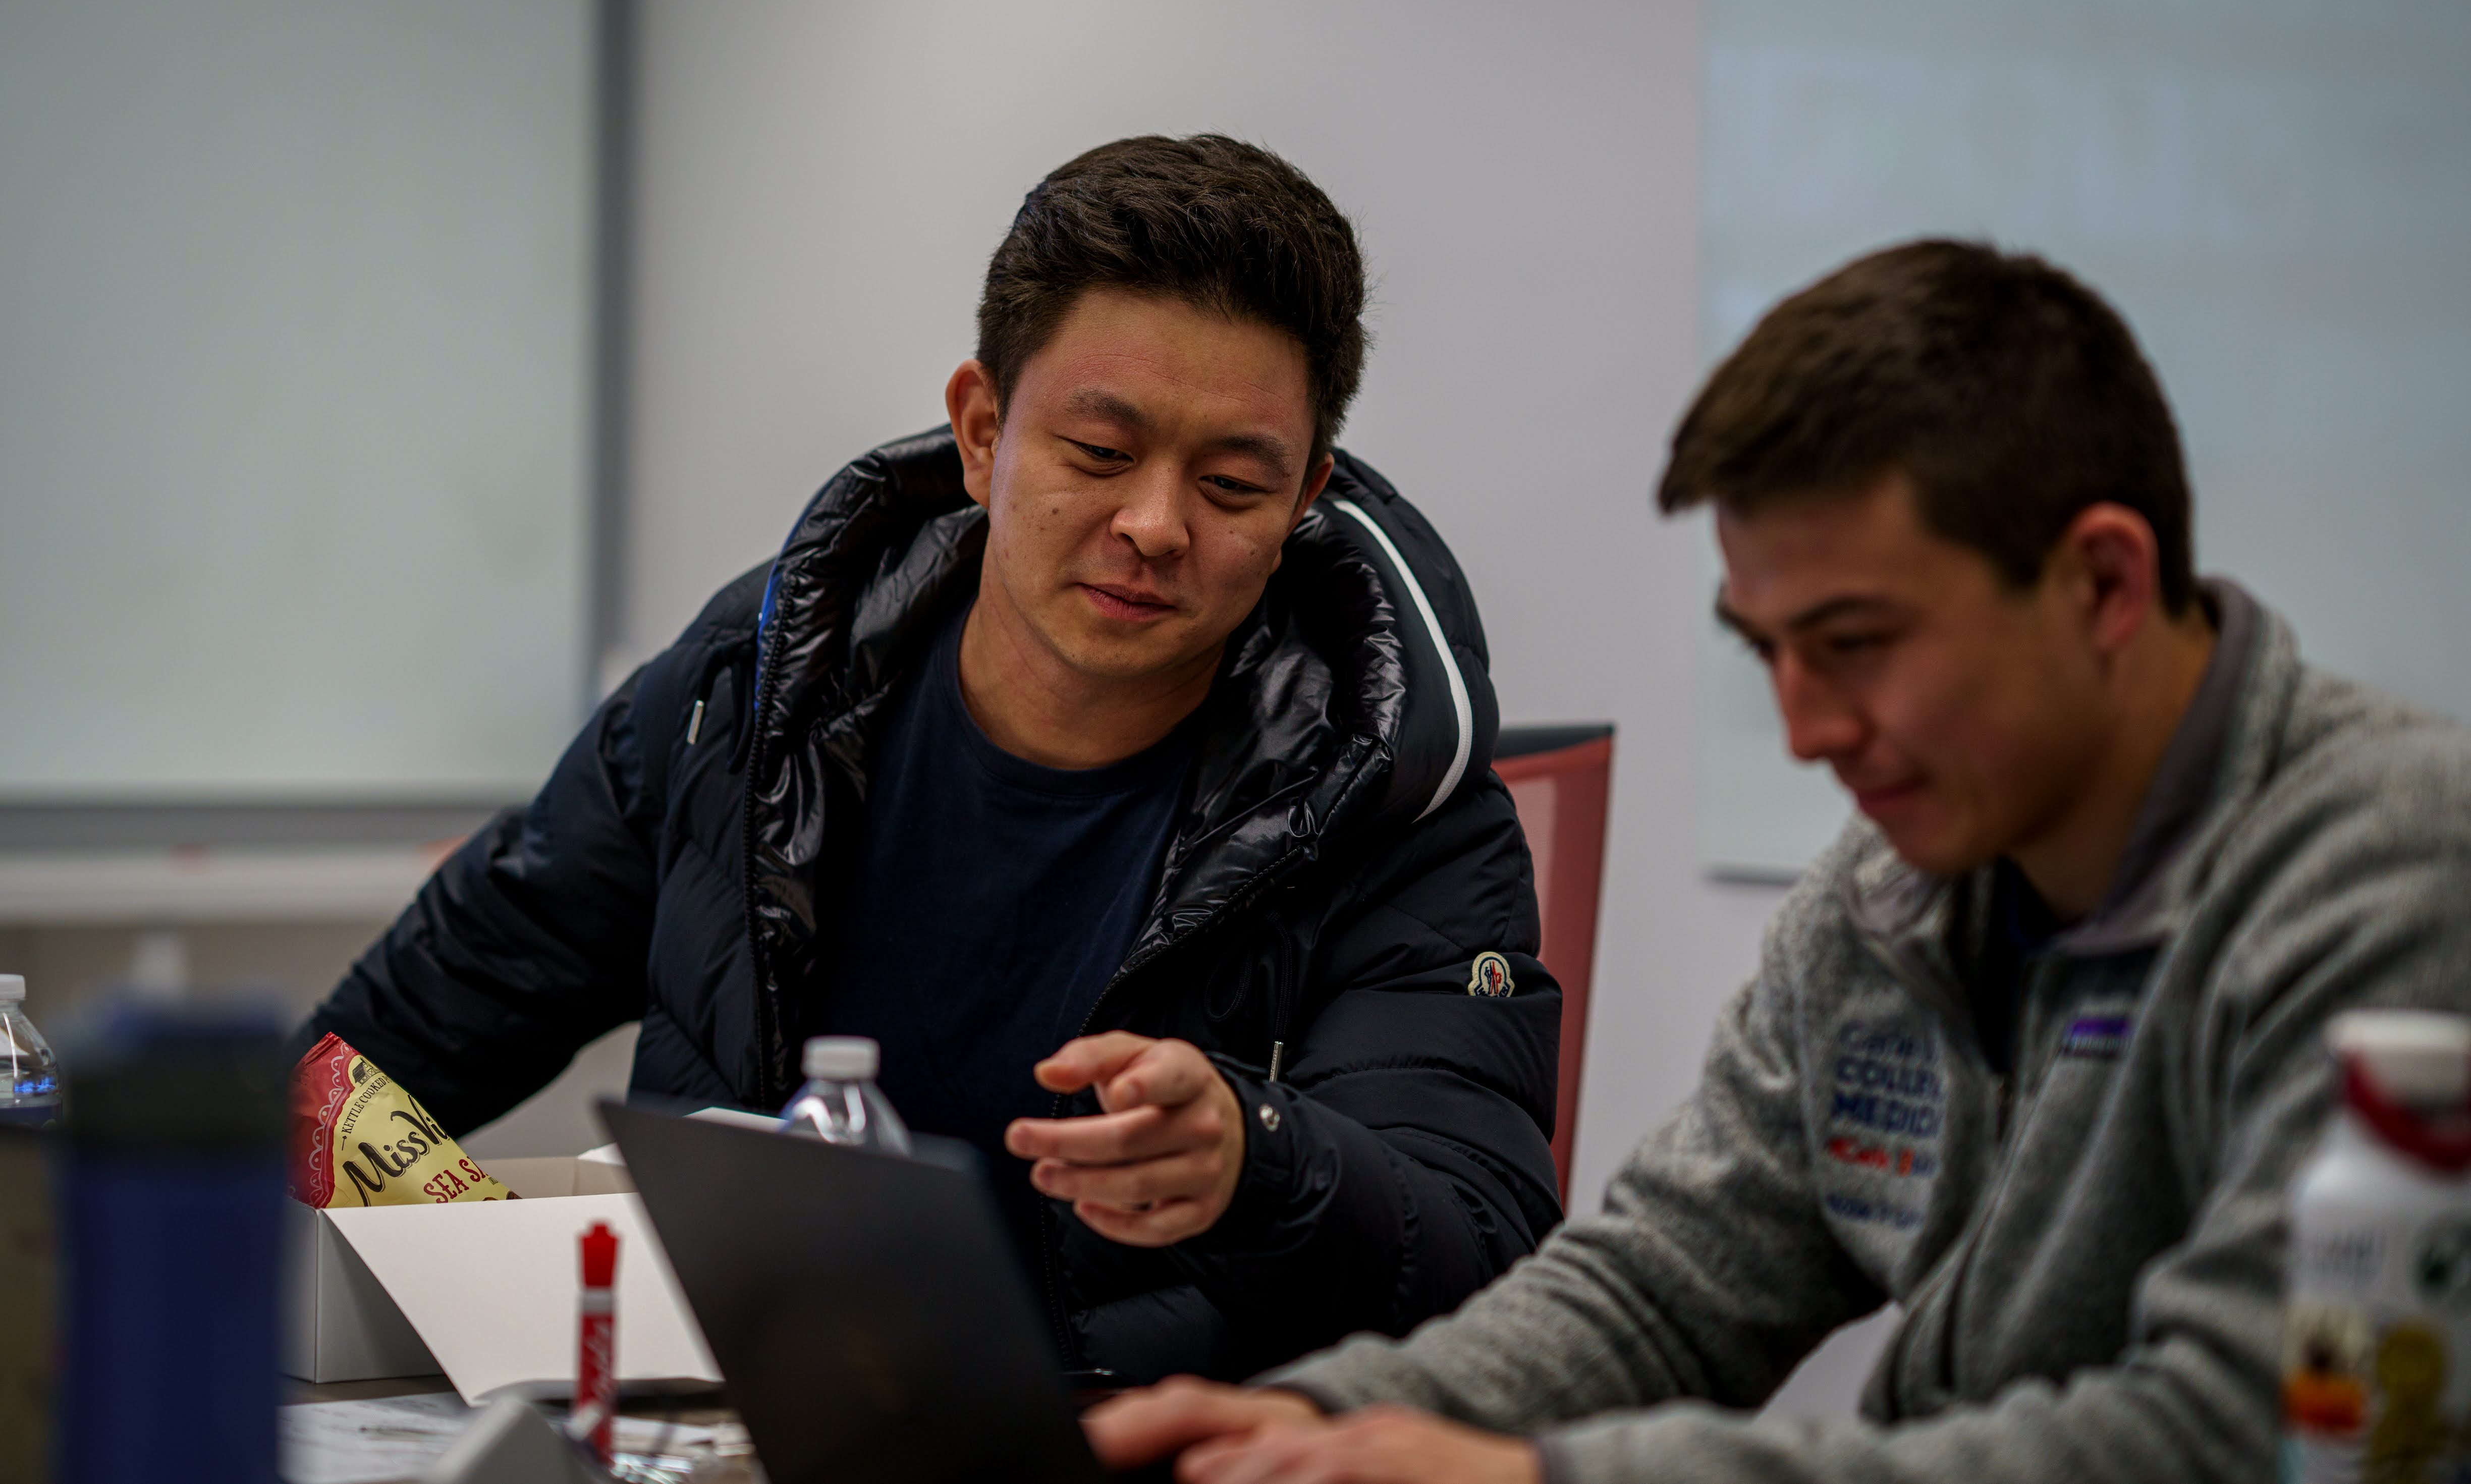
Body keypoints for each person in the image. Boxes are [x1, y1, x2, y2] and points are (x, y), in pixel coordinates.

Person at [1087, 239, 2471, 1480]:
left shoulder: (2396, 868)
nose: (1807, 730)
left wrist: (1545, 1482)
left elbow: (2237, 1431)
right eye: (1769, 655)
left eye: (1858, 643)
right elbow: (1664, 1290)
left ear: (2103, 583)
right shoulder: (1892, 897)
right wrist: (1315, 1425)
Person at [296, 135, 1562, 1383]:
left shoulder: (1396, 805)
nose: (1155, 526)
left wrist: (1261, 1156)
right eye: (1100, 455)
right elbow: (424, 1016)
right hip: (732, 1436)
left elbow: (1485, 1266)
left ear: (1303, 502)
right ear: (981, 430)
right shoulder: (750, 694)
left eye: (1233, 485)